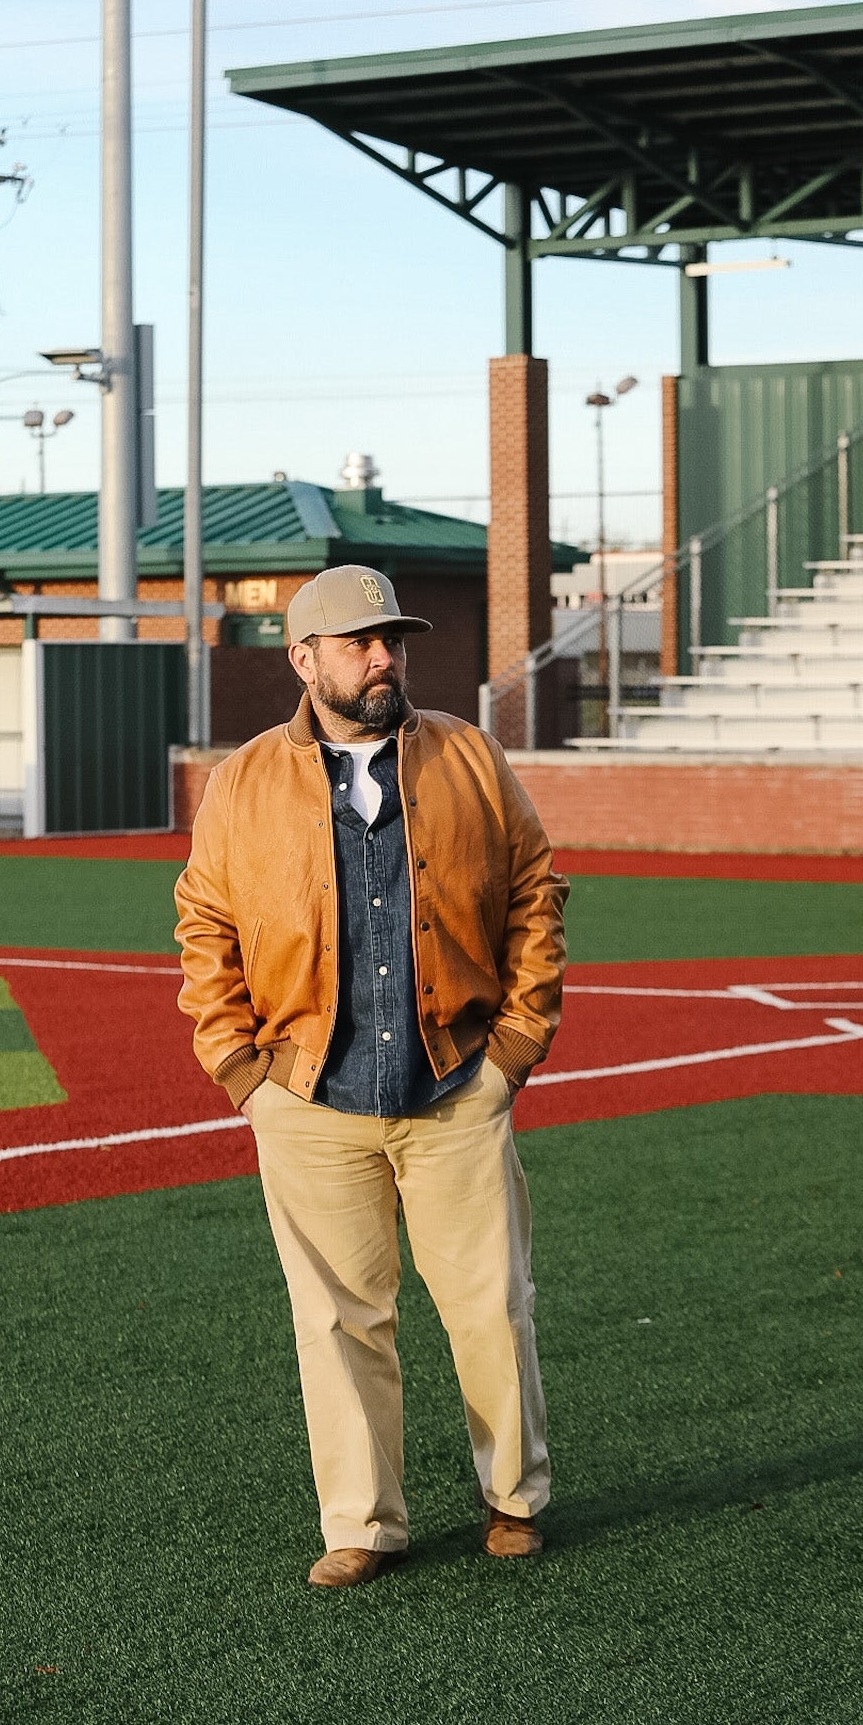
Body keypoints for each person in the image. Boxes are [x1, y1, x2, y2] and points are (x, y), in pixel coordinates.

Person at [174, 563, 568, 1589]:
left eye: (392, 638)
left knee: (491, 1305)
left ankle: (514, 1497)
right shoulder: (246, 779)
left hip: (455, 1085)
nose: (384, 657)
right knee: (339, 1319)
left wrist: (517, 1044)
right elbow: (204, 922)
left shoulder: (468, 755)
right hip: (306, 1095)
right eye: (358, 642)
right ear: (303, 658)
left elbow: (536, 887)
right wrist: (239, 1066)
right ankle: (365, 1521)